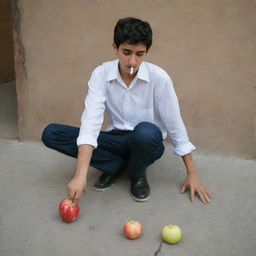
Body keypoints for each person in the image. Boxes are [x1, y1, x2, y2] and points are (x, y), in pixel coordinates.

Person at [42, 17, 212, 204]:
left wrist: (192, 173)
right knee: (52, 133)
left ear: (147, 51)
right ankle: (117, 165)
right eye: (126, 52)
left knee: (145, 132)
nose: (132, 61)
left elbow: (174, 123)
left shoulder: (159, 78)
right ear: (115, 47)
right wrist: (80, 175)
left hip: (147, 141)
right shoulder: (101, 74)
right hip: (116, 137)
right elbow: (91, 122)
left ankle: (136, 174)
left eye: (140, 54)